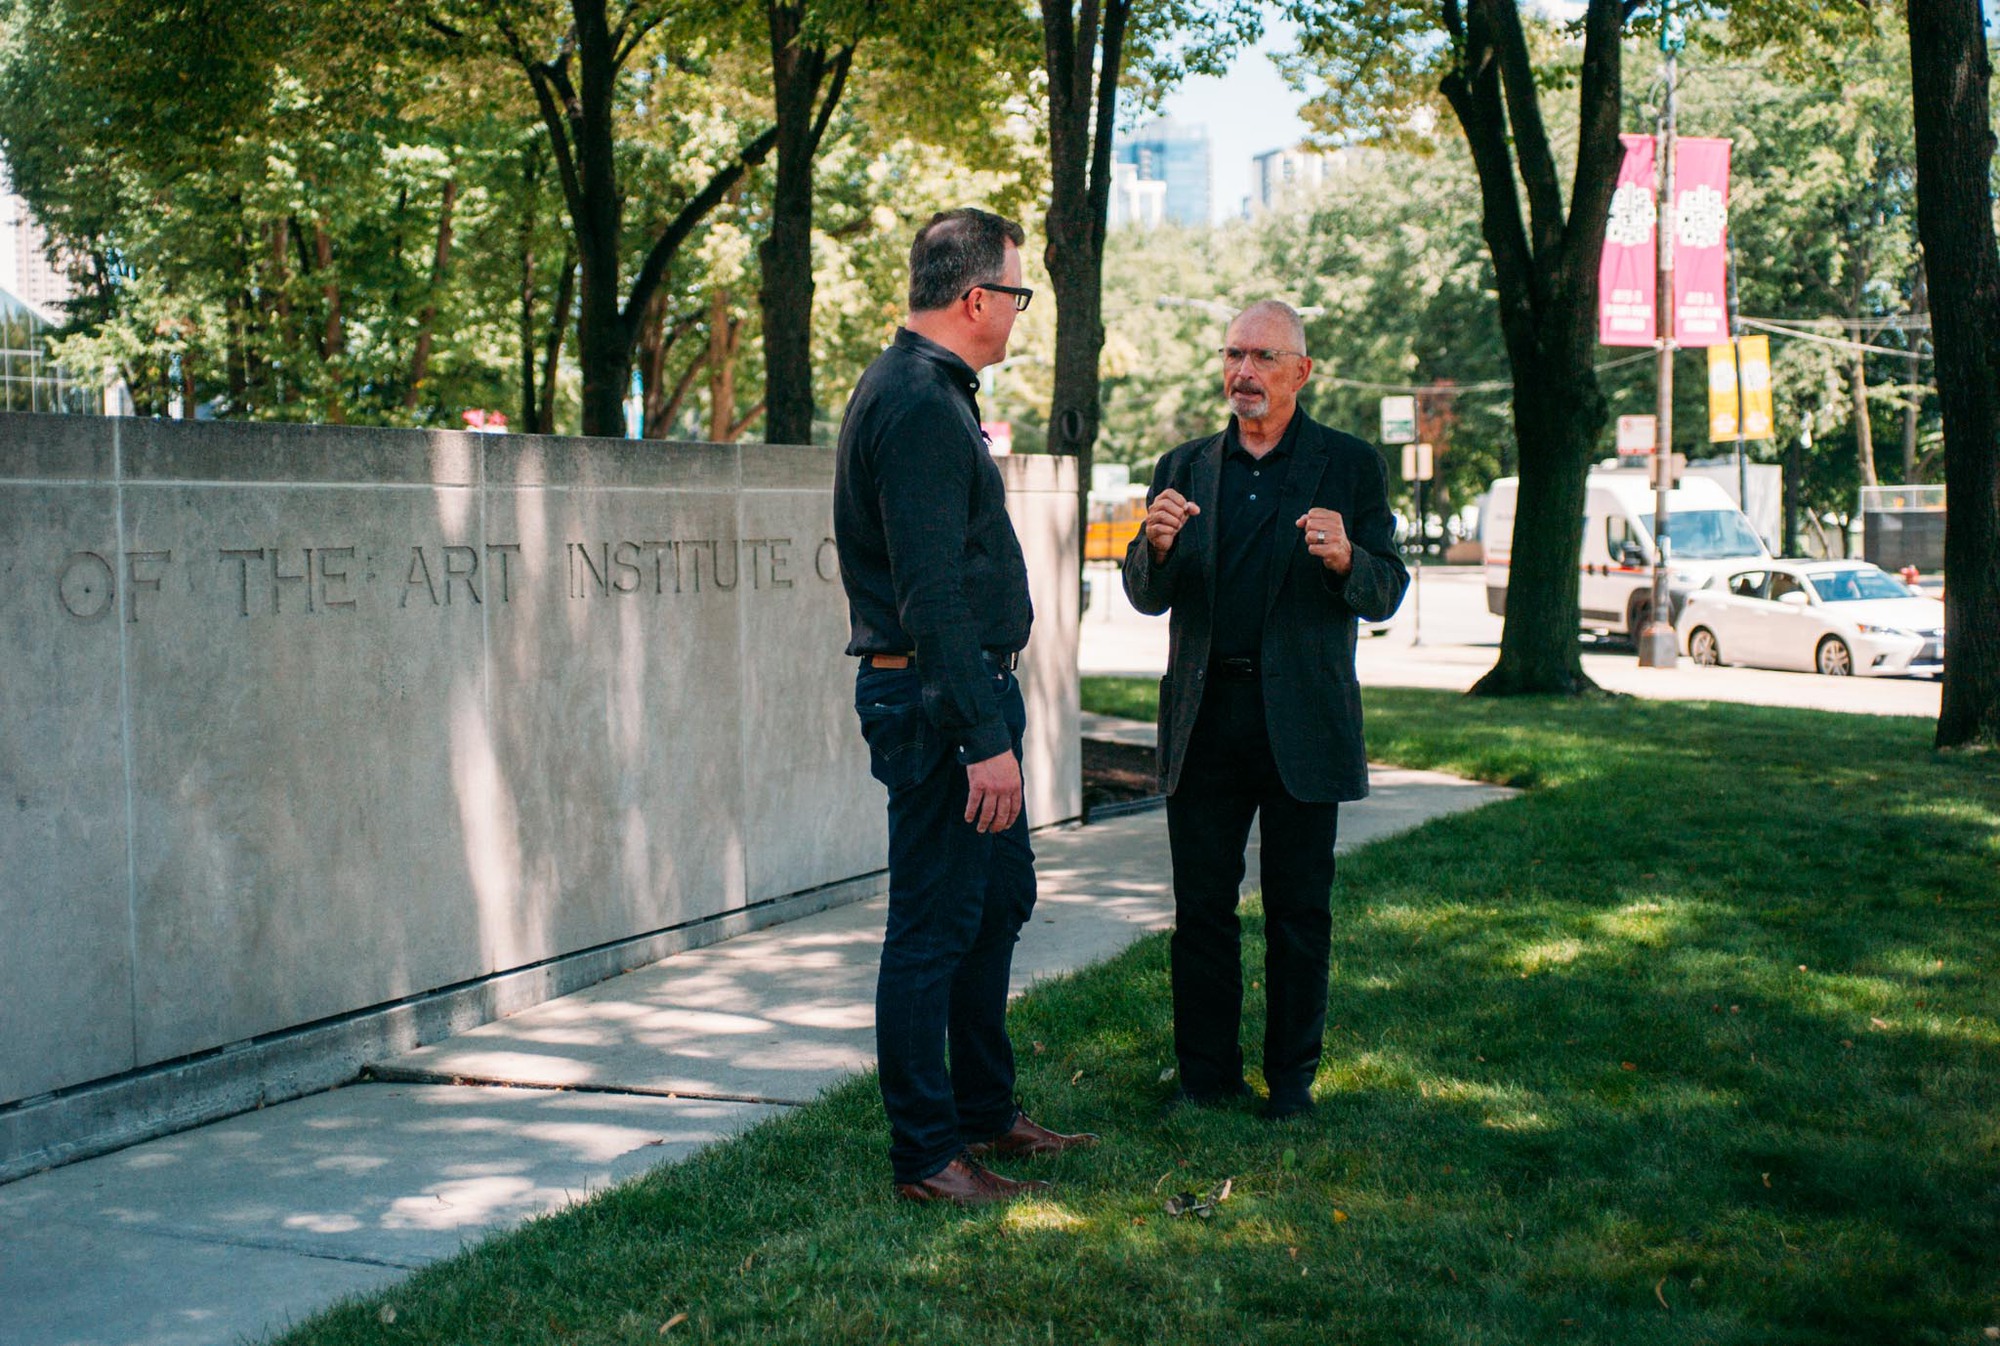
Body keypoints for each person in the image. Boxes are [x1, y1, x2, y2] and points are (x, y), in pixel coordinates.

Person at [835, 207, 1098, 1205]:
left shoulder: (928, 391)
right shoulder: (911, 402)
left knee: (994, 902)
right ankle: (926, 1158)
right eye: (1018, 295)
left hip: (966, 691)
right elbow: (930, 591)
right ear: (976, 296)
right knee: (931, 926)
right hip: (941, 700)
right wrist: (981, 739)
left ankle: (985, 1111)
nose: (1020, 314)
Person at [1122, 300, 1409, 1120]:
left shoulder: (1349, 467)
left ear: (1301, 372)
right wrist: (1158, 546)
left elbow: (1386, 588)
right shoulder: (1182, 466)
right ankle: (1206, 1080)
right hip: (1206, 719)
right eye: (1234, 355)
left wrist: (1349, 557)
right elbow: (1144, 594)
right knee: (1202, 912)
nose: (1243, 372)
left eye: (1263, 358)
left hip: (1302, 721)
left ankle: (1291, 1085)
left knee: (1298, 912)